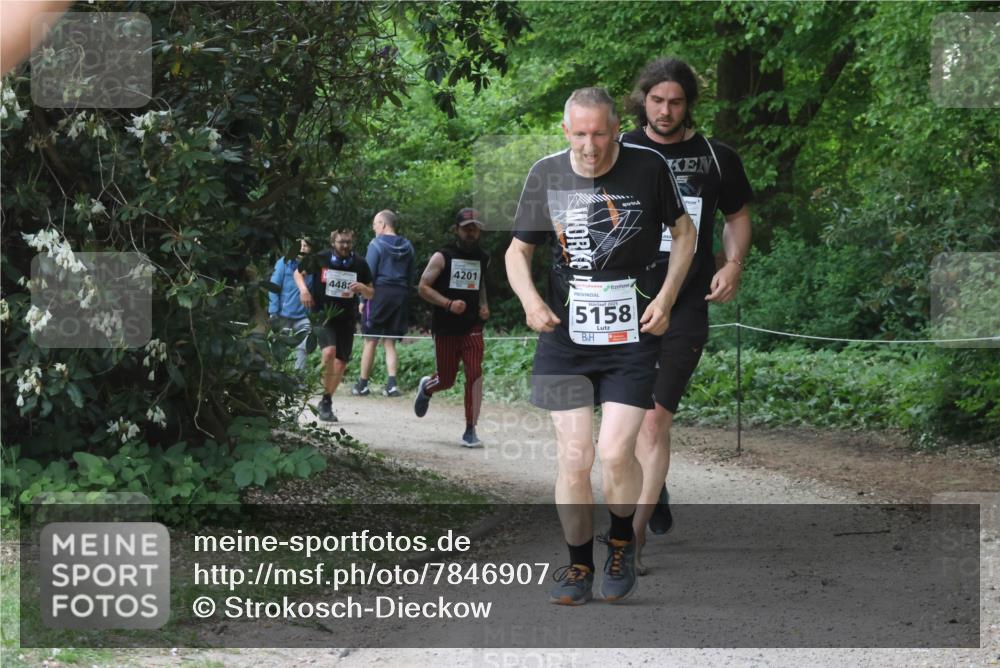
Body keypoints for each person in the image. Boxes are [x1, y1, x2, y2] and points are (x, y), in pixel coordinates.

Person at [505, 87, 695, 605]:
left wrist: (668, 295)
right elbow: (517, 252)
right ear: (566, 131)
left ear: (616, 129)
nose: (590, 146)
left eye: (600, 133)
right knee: (573, 455)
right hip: (565, 339)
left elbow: (684, 233)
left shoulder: (648, 166)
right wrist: (529, 300)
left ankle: (619, 545)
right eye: (580, 134)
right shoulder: (546, 173)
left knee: (614, 454)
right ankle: (578, 567)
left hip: (629, 337)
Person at [620, 58, 754, 573]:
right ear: (642, 100)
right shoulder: (620, 150)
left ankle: (631, 536)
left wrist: (734, 264)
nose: (666, 110)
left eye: (676, 102)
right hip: (622, 298)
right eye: (657, 100)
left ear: (688, 103)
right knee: (625, 422)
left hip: (686, 302)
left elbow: (738, 216)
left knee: (654, 421)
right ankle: (652, 490)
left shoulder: (716, 158)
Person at [414, 207, 491, 448]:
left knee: (474, 373)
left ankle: (471, 428)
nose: (471, 232)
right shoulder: (442, 256)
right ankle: (427, 387)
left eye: (475, 228)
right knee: (446, 380)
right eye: (466, 228)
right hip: (446, 326)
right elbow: (423, 287)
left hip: (472, 326)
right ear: (456, 230)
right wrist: (447, 303)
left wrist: (483, 305)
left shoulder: (482, 257)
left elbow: (481, 285)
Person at [295, 229, 374, 422]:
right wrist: (304, 290)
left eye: (348, 242)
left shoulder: (360, 264)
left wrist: (364, 289)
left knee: (341, 361)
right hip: (323, 315)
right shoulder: (320, 258)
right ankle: (321, 393)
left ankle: (326, 399)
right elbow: (298, 273)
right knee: (329, 352)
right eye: (341, 242)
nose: (345, 246)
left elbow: (371, 292)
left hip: (346, 317)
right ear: (333, 242)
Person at [353, 210, 415, 397]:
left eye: (375, 224)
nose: (373, 228)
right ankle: (392, 384)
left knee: (370, 340)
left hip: (378, 294)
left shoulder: (376, 244)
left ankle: (362, 384)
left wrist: (363, 299)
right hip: (401, 294)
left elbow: (368, 273)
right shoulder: (408, 246)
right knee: (390, 342)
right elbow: (412, 274)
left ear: (383, 224)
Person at [269, 238, 313, 371]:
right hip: (283, 315)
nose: (302, 248)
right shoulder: (283, 263)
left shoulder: (314, 266)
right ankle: (277, 377)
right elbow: (273, 287)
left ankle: (298, 379)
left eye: (306, 245)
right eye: (300, 245)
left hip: (304, 315)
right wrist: (273, 312)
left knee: (304, 347)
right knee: (279, 349)